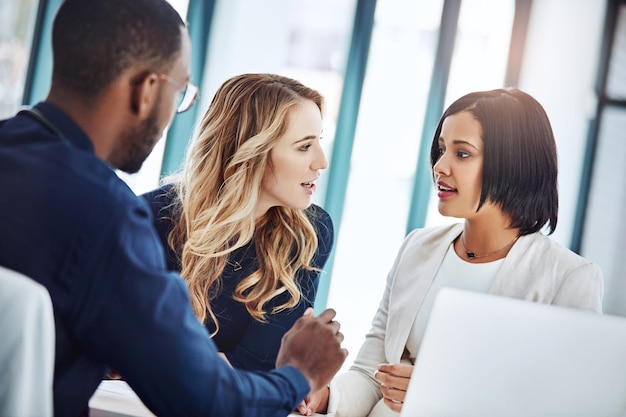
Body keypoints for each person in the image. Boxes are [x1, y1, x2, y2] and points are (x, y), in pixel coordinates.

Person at [0, 1, 347, 416]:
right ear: (147, 89)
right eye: (179, 92)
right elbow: (206, 402)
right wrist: (301, 373)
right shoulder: (110, 218)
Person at [297, 88, 603, 417]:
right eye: (442, 149)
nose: (440, 166)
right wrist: (325, 396)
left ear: (512, 165)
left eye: (463, 154)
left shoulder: (569, 279)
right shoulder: (417, 248)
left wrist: (437, 394)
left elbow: (567, 408)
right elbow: (372, 375)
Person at [141, 73, 333, 372]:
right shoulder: (150, 217)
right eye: (304, 147)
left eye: (318, 142)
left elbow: (258, 364)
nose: (321, 162)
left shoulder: (309, 233)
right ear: (250, 152)